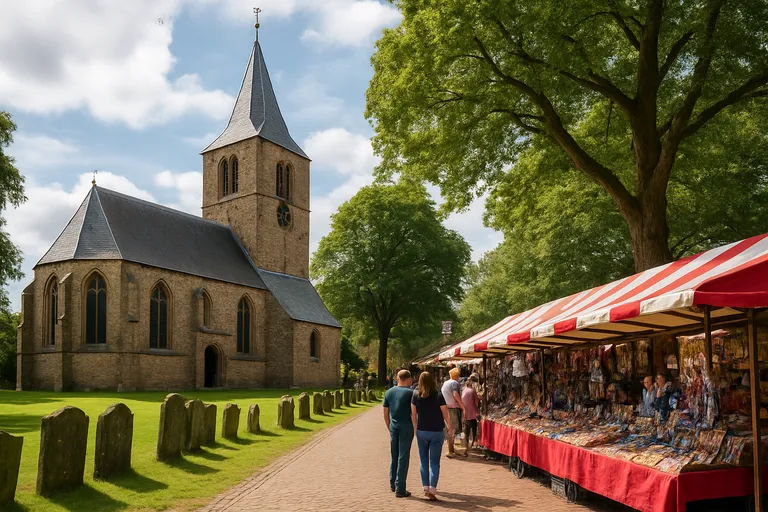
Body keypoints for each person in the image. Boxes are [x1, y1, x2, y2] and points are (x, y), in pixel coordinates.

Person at [411, 371, 451, 501]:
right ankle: (433, 488)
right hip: (437, 431)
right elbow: (445, 413)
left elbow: (413, 414)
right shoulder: (438, 395)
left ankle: (425, 487)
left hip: (422, 431)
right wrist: (449, 426)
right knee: (434, 462)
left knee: (423, 461)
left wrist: (416, 428)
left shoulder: (416, 395)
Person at [383, 369, 414, 498]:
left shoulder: (389, 392)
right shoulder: (411, 393)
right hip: (406, 425)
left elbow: (385, 412)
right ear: (409, 379)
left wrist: (389, 426)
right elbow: (414, 413)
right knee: (403, 456)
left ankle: (392, 483)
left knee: (394, 455)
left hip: (394, 425)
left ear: (397, 378)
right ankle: (400, 487)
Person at [441, 367, 466, 457]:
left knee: (450, 429)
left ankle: (451, 449)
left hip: (446, 408)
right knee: (456, 430)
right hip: (453, 408)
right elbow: (455, 394)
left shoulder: (446, 383)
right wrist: (463, 406)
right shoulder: (454, 383)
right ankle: (456, 449)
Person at [461, 377, 481, 454]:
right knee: (474, 427)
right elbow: (476, 402)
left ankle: (466, 443)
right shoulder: (472, 391)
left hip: (466, 412)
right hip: (473, 412)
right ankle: (473, 442)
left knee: (467, 428)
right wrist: (479, 399)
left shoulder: (463, 390)